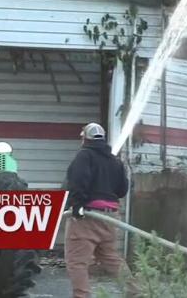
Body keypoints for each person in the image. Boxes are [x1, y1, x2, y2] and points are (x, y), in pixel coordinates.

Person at [65, 123, 137, 298]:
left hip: (87, 216)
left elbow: (78, 180)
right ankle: (136, 292)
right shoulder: (115, 161)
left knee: (77, 262)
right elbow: (122, 190)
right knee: (110, 257)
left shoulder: (84, 155)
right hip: (110, 217)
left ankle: (81, 296)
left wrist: (77, 206)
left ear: (85, 138)